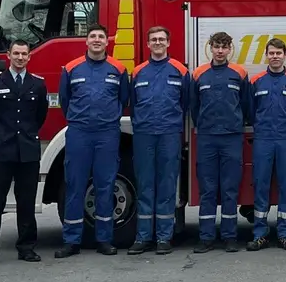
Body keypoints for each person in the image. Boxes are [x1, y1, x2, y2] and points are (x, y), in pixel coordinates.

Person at [57, 26, 131, 258]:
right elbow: (64, 100)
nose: (97, 40)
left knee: (105, 186)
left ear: (106, 42)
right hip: (79, 133)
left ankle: (104, 240)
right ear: (86, 41)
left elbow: (124, 99)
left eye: (101, 36)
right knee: (75, 186)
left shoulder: (118, 69)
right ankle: (71, 241)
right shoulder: (71, 68)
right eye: (93, 37)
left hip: (107, 133)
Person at [0, 39, 47, 266]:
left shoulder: (38, 85)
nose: (20, 58)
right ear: (8, 55)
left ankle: (26, 247)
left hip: (27, 151)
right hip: (0, 151)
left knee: (26, 202)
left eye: (24, 54)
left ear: (29, 57)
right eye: (16, 53)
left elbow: (40, 116)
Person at [127, 26, 188, 256]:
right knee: (145, 185)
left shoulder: (180, 71)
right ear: (148, 44)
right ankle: (143, 238)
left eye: (162, 39)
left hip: (169, 134)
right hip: (144, 134)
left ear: (168, 43)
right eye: (154, 39)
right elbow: (132, 103)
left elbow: (186, 102)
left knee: (167, 185)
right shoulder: (139, 72)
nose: (158, 42)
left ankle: (164, 237)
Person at [191, 32, 250, 253]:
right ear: (210, 48)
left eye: (224, 47)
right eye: (216, 46)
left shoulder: (239, 73)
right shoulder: (199, 74)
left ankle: (229, 236)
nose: (220, 51)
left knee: (229, 188)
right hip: (206, 137)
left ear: (229, 49)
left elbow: (246, 104)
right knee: (207, 189)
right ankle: (206, 237)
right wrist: (204, 125)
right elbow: (193, 106)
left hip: (232, 137)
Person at [248, 38, 286, 250]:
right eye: (271, 53)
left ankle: (285, 233)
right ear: (266, 55)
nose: (274, 57)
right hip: (263, 138)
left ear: (284, 55)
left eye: (278, 53)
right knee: (261, 185)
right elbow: (250, 109)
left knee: (285, 186)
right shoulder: (256, 81)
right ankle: (260, 234)